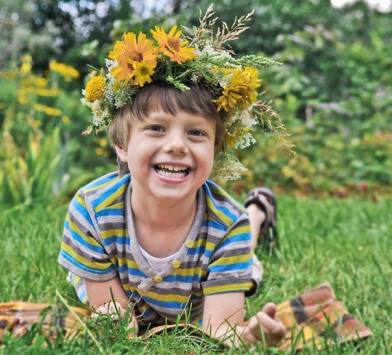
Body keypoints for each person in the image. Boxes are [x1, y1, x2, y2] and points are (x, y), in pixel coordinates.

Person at [58, 8, 286, 348]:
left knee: (244, 249)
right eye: (156, 128)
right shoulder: (91, 211)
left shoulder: (227, 226)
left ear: (216, 149)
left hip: (197, 293)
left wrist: (246, 338)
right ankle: (258, 208)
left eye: (196, 132)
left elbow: (217, 332)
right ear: (121, 144)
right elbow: (118, 315)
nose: (177, 145)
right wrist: (114, 317)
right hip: (127, 287)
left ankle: (256, 211)